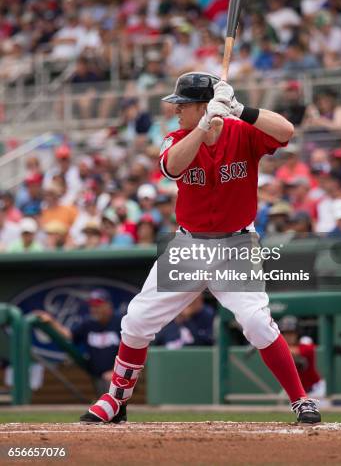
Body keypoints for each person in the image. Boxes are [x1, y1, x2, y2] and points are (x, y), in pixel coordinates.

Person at [81, 71, 321, 425]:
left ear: (205, 104)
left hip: (237, 244)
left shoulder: (242, 132)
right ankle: (117, 399)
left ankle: (300, 399)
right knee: (136, 322)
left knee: (257, 322)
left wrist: (239, 109)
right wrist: (202, 126)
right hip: (189, 245)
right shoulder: (176, 138)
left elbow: (286, 131)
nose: (177, 111)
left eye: (184, 105)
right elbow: (172, 166)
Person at [35, 290, 121, 396]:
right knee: (105, 403)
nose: (94, 309)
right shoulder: (88, 324)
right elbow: (68, 335)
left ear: (108, 305)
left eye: (98, 306)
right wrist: (51, 321)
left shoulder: (120, 323)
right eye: (92, 306)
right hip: (98, 377)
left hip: (119, 377)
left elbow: (131, 350)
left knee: (113, 403)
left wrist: (116, 372)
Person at [279, 316, 325, 398]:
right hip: (297, 392)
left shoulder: (305, 341)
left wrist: (275, 344)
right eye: (285, 333)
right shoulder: (281, 350)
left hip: (315, 390)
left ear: (297, 333)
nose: (288, 336)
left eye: (291, 333)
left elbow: (304, 351)